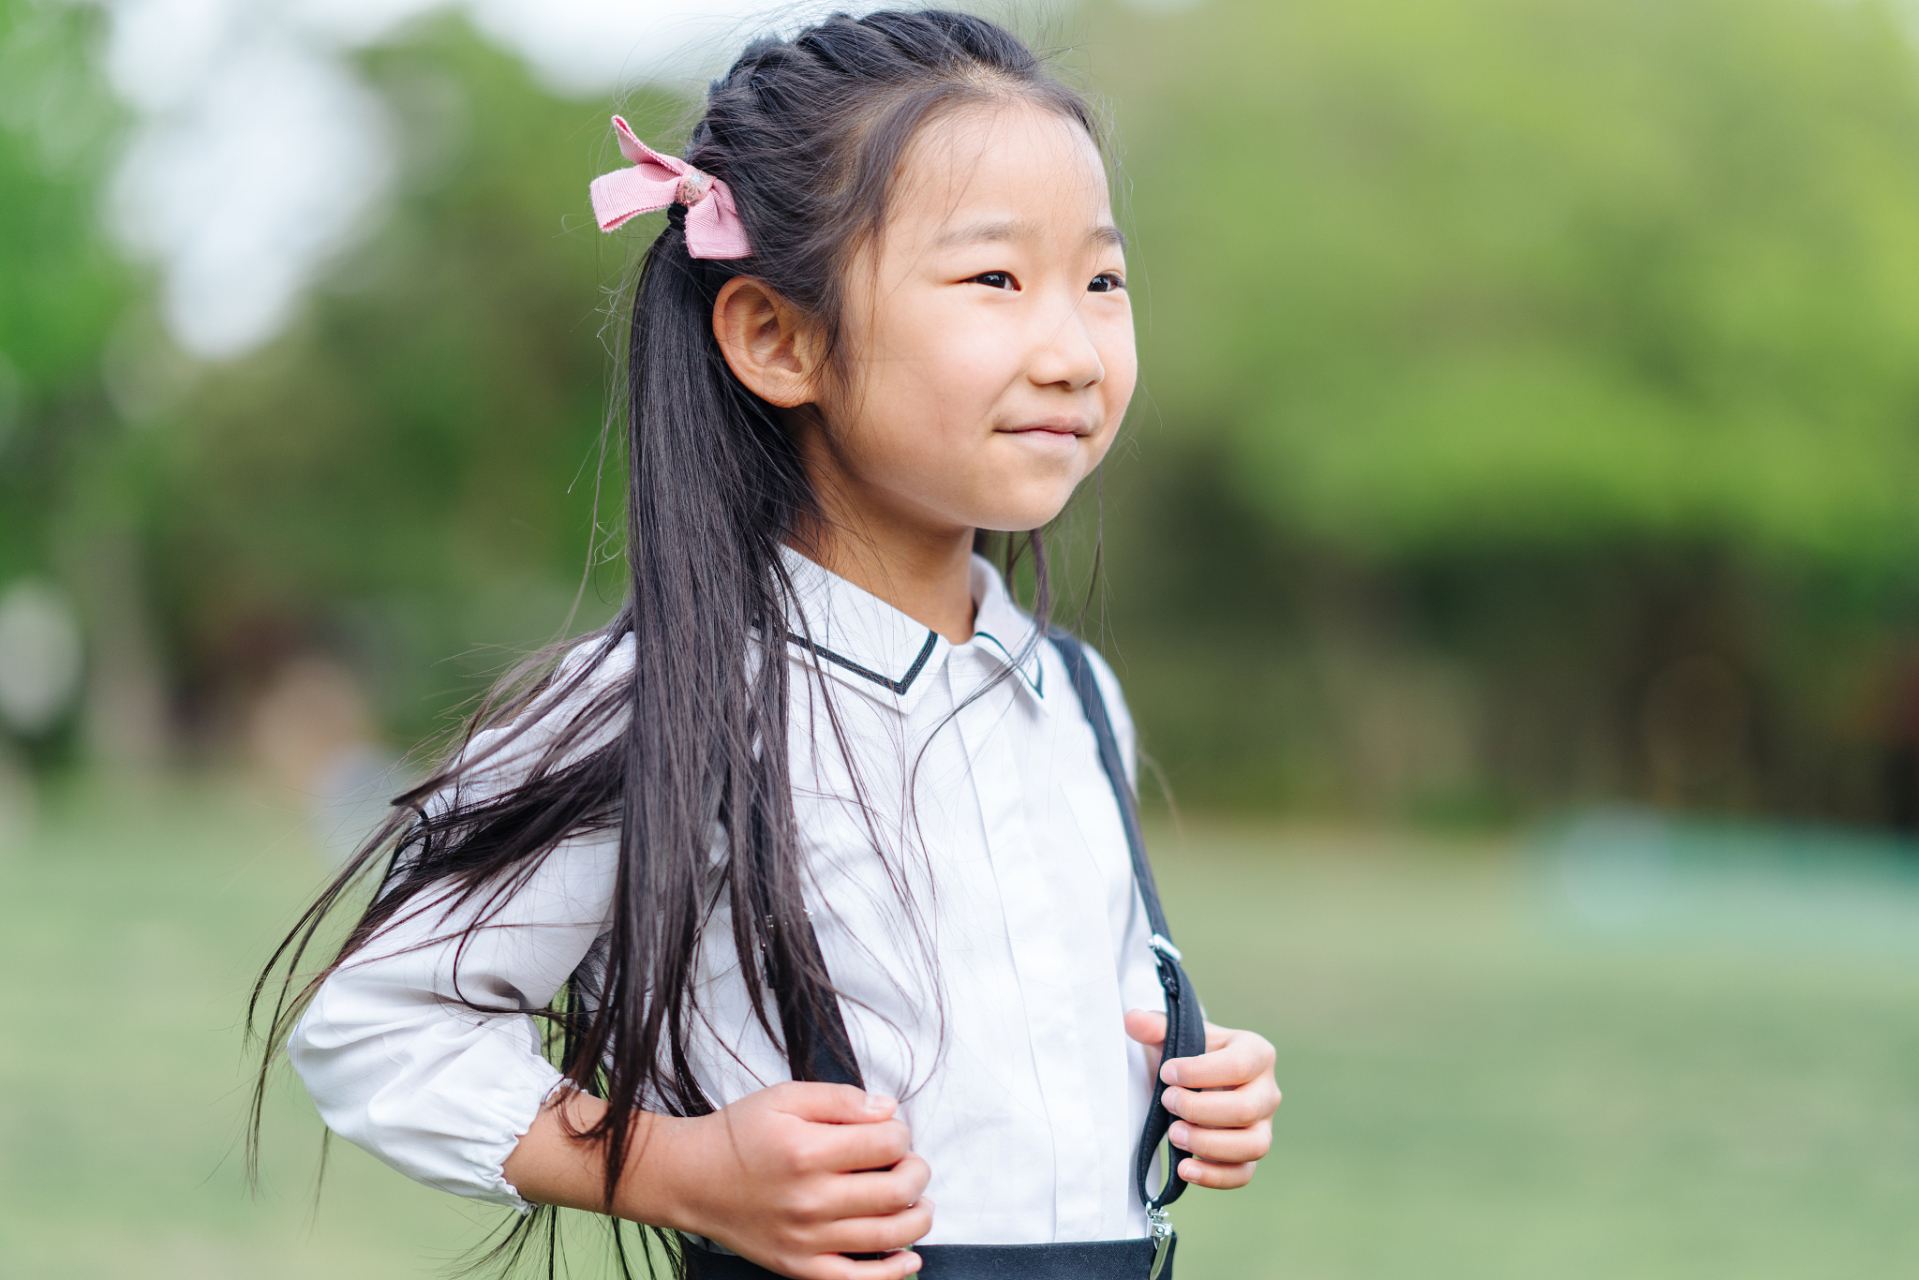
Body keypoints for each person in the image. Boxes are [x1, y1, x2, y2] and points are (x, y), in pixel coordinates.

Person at [251, 11, 1280, 1279]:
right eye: (994, 280)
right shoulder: (665, 699)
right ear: (777, 338)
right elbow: (373, 1022)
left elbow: (1037, 1038)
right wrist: (673, 1167)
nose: (1072, 351)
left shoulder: (1075, 695)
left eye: (1101, 282)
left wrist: (1192, 1075)